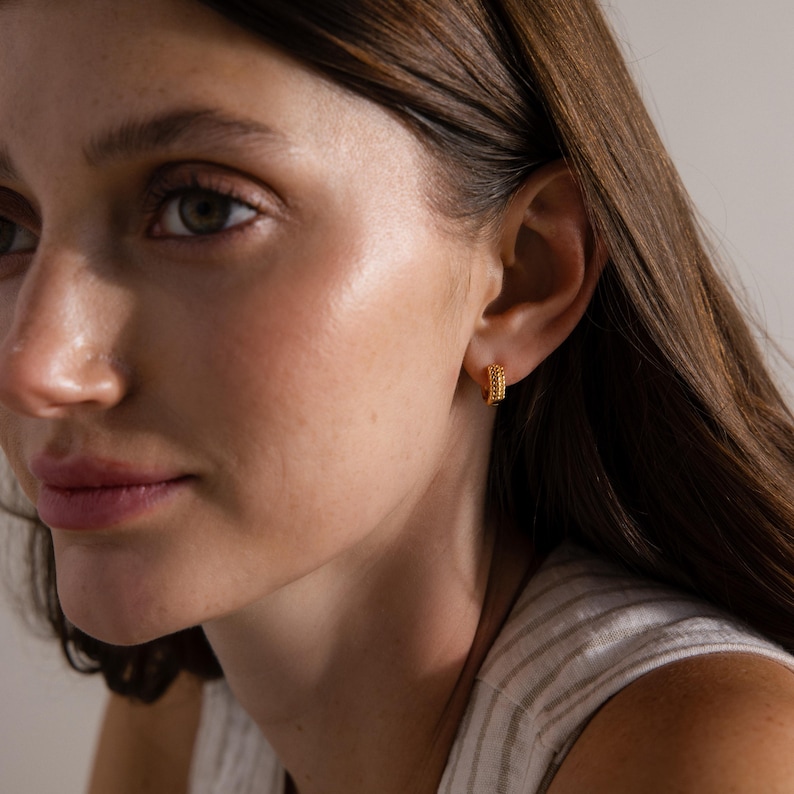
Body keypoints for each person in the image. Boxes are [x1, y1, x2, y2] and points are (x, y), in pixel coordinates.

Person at [1, 0, 794, 792]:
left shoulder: (718, 765)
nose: (35, 366)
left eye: (202, 210)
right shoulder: (188, 704)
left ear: (519, 279)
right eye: (5, 228)